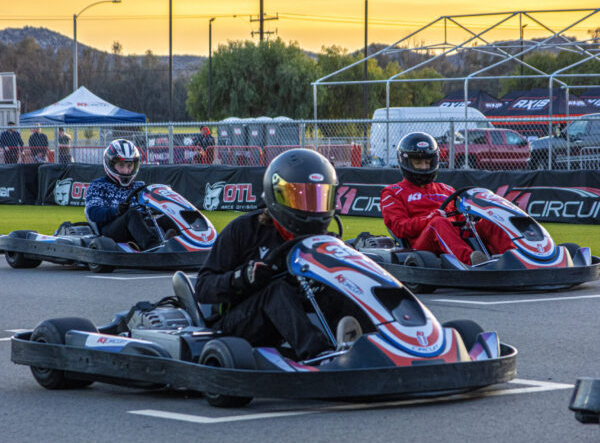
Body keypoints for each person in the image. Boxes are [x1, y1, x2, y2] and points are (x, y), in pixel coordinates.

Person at [194, 148, 361, 361]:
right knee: (277, 291)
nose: (310, 208)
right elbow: (203, 287)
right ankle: (321, 355)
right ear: (277, 194)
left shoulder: (323, 240)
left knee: (343, 285)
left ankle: (371, 345)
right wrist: (242, 278)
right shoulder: (245, 230)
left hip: (294, 317)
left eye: (317, 198)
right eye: (300, 197)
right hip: (237, 324)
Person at [380, 132, 515, 266]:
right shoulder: (393, 192)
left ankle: (515, 257)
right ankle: (470, 263)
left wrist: (472, 220)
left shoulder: (447, 189)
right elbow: (399, 228)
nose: (424, 167)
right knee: (438, 222)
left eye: (427, 162)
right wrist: (430, 218)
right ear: (406, 162)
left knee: (487, 221)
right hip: (421, 246)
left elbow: (461, 218)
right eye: (418, 162)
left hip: (455, 236)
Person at [85, 139, 171, 250]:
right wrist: (116, 211)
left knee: (166, 216)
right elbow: (93, 213)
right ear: (110, 164)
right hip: (111, 230)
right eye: (121, 165)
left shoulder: (139, 186)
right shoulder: (98, 186)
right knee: (132, 213)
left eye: (129, 165)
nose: (126, 171)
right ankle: (154, 248)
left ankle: (182, 241)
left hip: (140, 226)